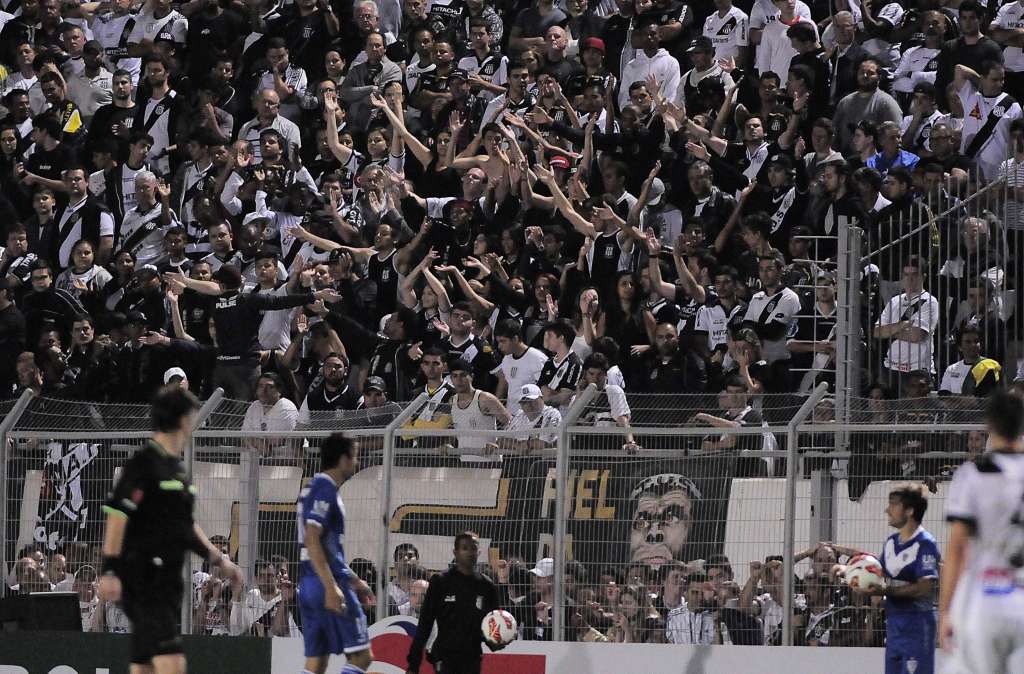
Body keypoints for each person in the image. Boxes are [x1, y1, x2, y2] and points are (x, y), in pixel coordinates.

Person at [97, 385, 241, 674]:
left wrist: (219, 558)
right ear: (183, 419)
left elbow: (185, 525)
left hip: (167, 580)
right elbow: (118, 515)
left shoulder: (176, 469)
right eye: (193, 416)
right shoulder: (144, 464)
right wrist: (109, 570)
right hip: (142, 577)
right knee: (172, 664)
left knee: (144, 665)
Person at [940, 390, 1024, 674]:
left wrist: (945, 612)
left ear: (990, 424)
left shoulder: (974, 473)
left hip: (986, 597)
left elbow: (956, 548)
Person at [296, 432, 376, 674]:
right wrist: (332, 587)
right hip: (325, 583)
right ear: (343, 459)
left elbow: (325, 547)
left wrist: (354, 580)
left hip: (309, 583)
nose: (357, 463)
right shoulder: (325, 489)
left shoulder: (311, 487)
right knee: (362, 656)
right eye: (355, 457)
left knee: (316, 662)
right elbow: (312, 537)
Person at [847, 483, 940, 674]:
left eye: (893, 504)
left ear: (909, 511)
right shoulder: (891, 543)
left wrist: (885, 591)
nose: (887, 510)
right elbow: (877, 574)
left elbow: (925, 587)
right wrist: (847, 571)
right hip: (894, 624)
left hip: (917, 625)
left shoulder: (925, 544)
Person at [406, 531, 503, 674]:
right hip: (444, 657)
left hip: (472, 658)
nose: (470, 552)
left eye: (473, 548)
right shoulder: (441, 582)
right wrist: (413, 664)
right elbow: (425, 623)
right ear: (455, 552)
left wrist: (497, 641)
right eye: (465, 548)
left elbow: (491, 625)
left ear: (479, 552)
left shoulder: (487, 586)